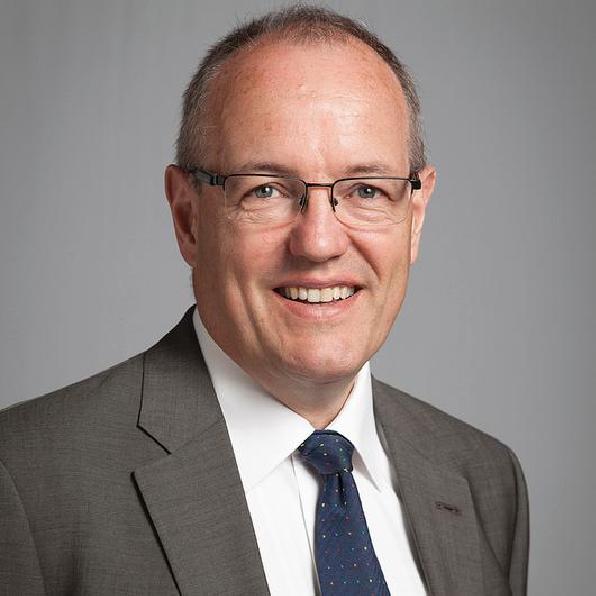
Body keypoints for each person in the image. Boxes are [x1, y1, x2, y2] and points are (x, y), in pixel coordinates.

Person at [0, 6, 529, 596]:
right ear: (188, 217)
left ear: (416, 215)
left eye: (366, 190)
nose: (319, 243)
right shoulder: (26, 481)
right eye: (267, 190)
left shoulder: (484, 479)